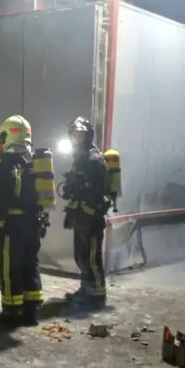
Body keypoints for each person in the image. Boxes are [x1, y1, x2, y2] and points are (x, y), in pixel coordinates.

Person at [0, 115, 43, 326]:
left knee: (10, 268)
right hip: (33, 223)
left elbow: (1, 197)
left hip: (13, 225)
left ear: (10, 134)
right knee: (31, 264)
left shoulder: (7, 163)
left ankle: (10, 312)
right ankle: (30, 312)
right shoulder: (35, 161)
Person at [61, 116, 109, 309]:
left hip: (92, 217)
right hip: (80, 214)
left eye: (79, 133)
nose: (75, 136)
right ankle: (85, 288)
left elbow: (97, 192)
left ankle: (97, 295)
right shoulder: (79, 157)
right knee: (80, 255)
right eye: (73, 133)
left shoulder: (94, 159)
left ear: (87, 135)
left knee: (91, 257)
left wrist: (86, 205)